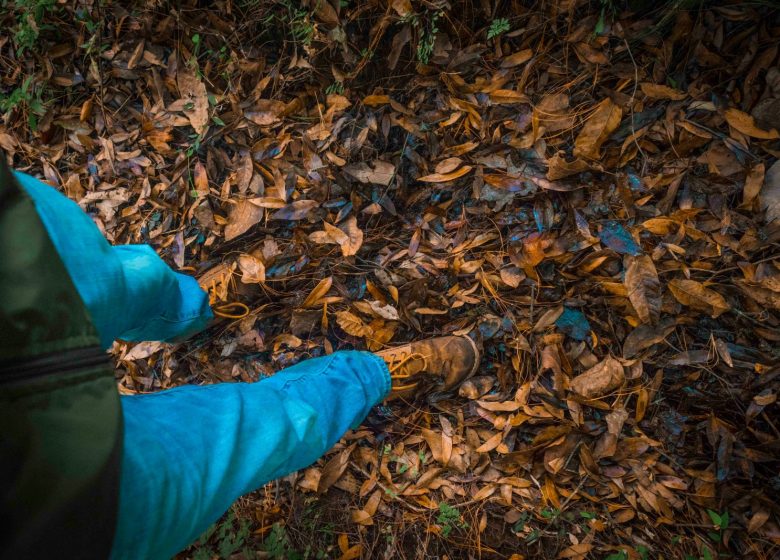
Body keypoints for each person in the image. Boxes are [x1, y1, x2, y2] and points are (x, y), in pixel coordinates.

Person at [0, 155, 481, 560]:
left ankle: (192, 310)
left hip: (12, 249)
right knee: (250, 430)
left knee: (112, 281)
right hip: (52, 509)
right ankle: (370, 377)